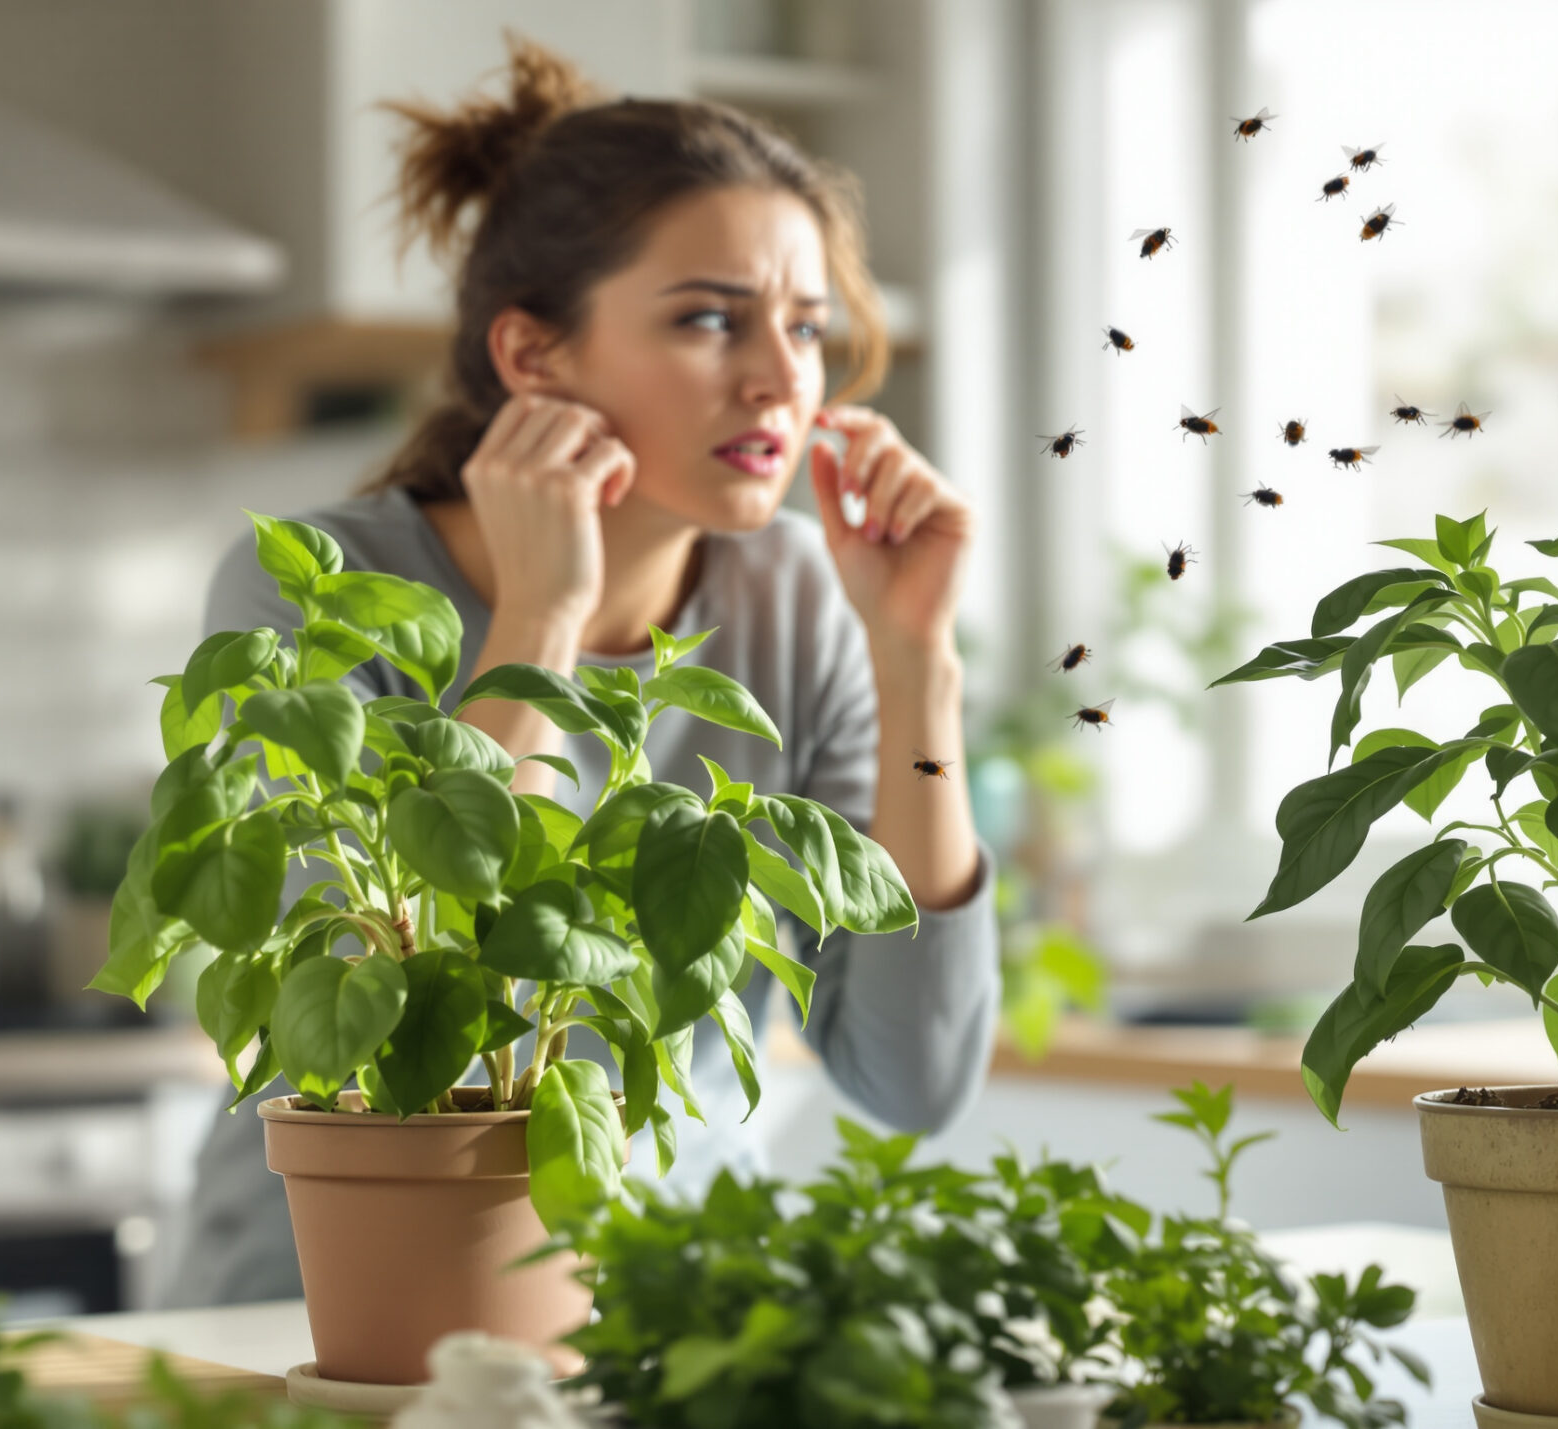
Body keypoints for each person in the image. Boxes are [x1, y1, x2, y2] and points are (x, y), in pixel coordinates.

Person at [164, 38, 1000, 1306]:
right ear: (534, 357)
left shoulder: (804, 603)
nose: (782, 374)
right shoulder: (312, 587)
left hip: (670, 1325)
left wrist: (916, 659)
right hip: (335, 1319)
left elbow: (914, 1079)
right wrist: (543, 615)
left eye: (807, 326)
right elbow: (409, 1041)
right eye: (711, 317)